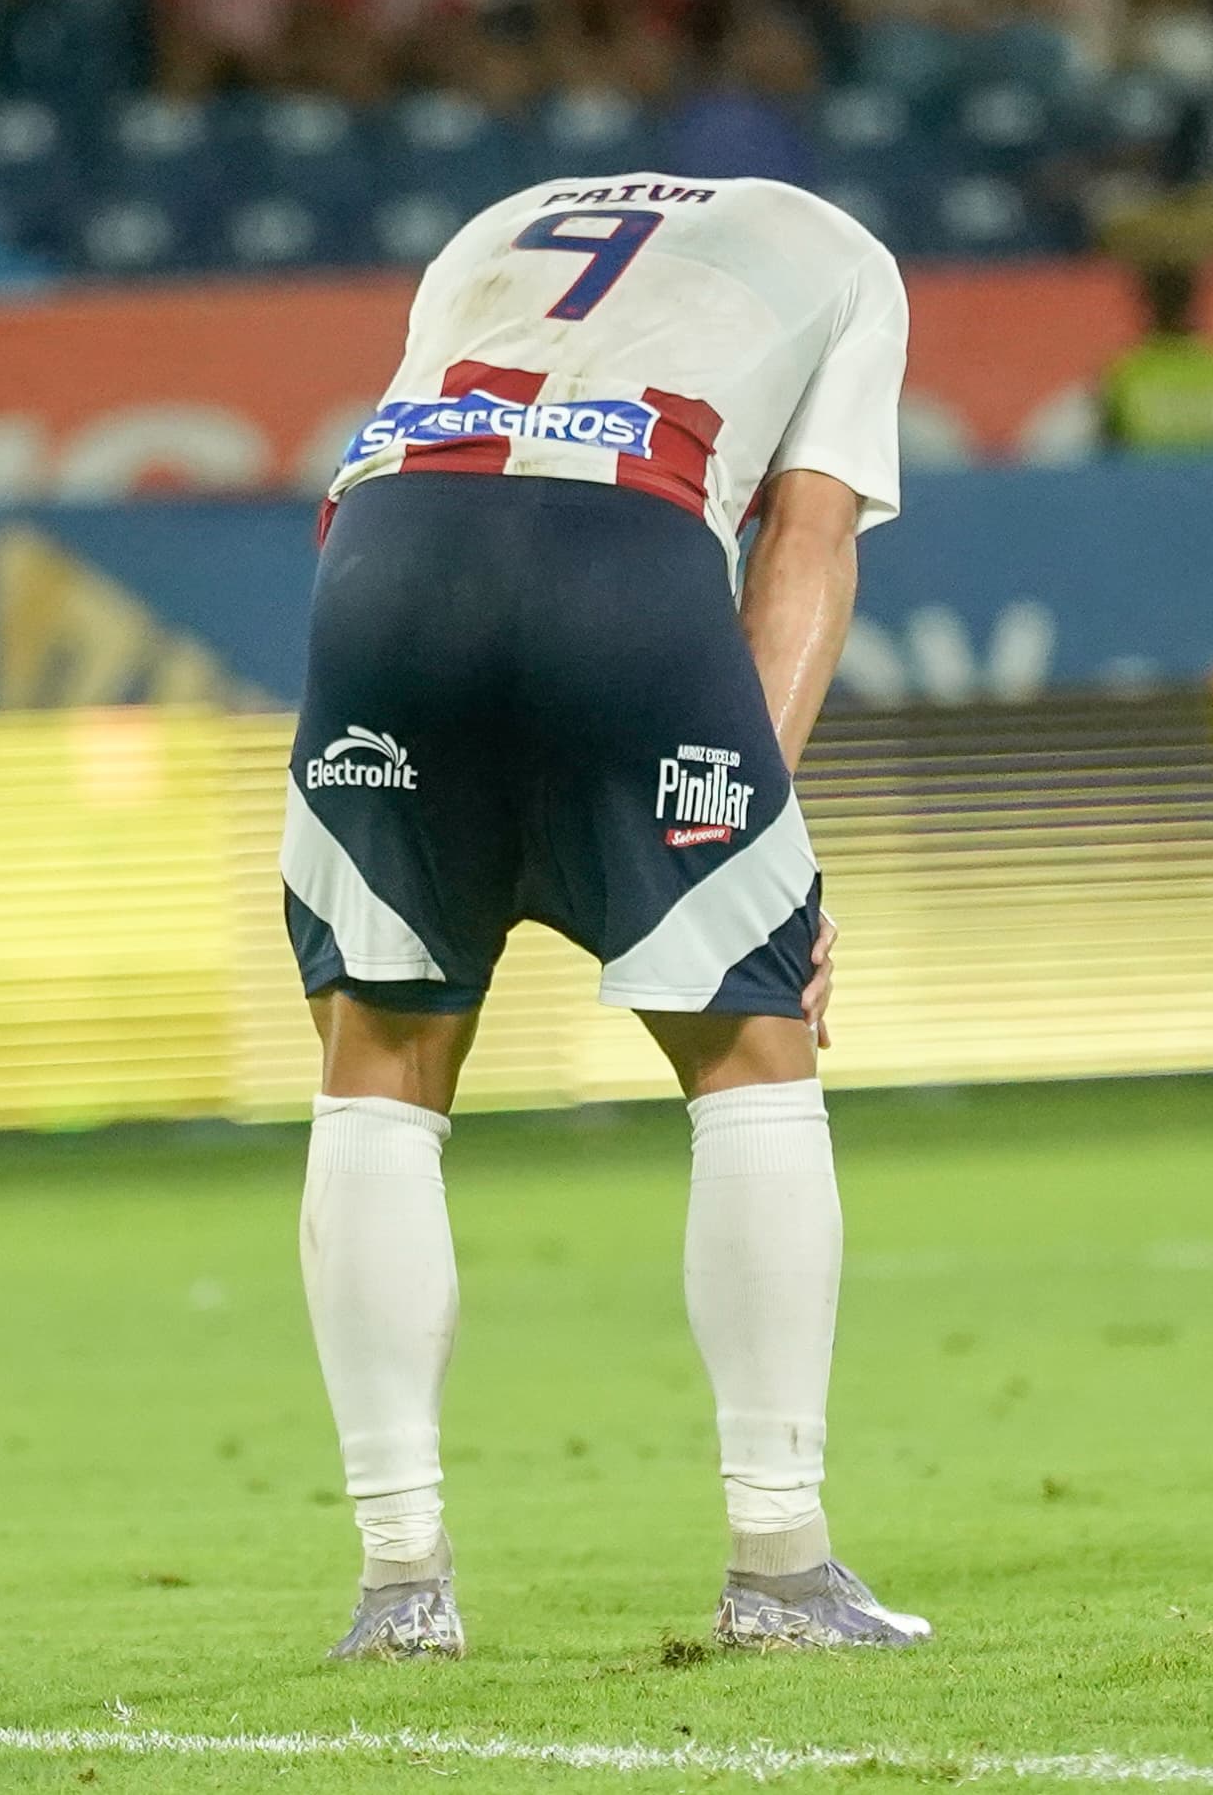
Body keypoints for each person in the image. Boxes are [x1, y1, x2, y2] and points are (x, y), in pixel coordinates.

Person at [289, 171, 923, 1659]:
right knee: (753, 1059)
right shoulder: (843, 255)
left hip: (386, 560)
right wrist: (768, 813)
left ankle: (400, 1587)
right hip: (624, 550)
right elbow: (806, 543)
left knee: (377, 1064)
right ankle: (779, 1565)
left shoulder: (490, 222)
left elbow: (430, 462)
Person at [1094, 259, 1213, 455]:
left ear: (1146, 304)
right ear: (1195, 303)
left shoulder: (1123, 373)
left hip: (1149, 484)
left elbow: (1107, 457)